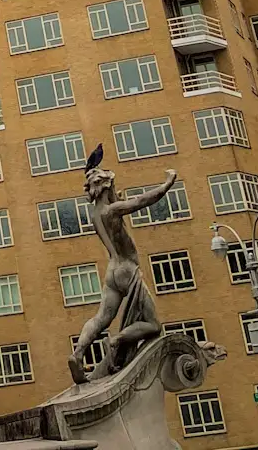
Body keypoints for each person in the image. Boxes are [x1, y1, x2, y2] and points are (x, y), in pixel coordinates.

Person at [68, 160, 180, 382]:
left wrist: (115, 195)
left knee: (101, 318)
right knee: (153, 325)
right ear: (105, 187)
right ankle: (116, 341)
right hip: (127, 270)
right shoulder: (112, 211)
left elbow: (116, 222)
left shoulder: (96, 214)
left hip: (112, 270)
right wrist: (168, 183)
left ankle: (78, 353)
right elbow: (142, 200)